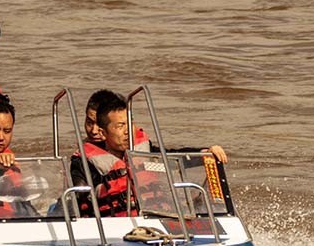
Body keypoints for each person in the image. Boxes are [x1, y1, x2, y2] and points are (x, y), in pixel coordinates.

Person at [71, 92, 228, 217]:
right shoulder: (85, 162)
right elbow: (79, 198)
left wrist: (205, 153)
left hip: (154, 217)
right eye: (120, 126)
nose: (127, 131)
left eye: (129, 124)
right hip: (112, 225)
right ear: (104, 132)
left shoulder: (144, 150)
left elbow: (172, 159)